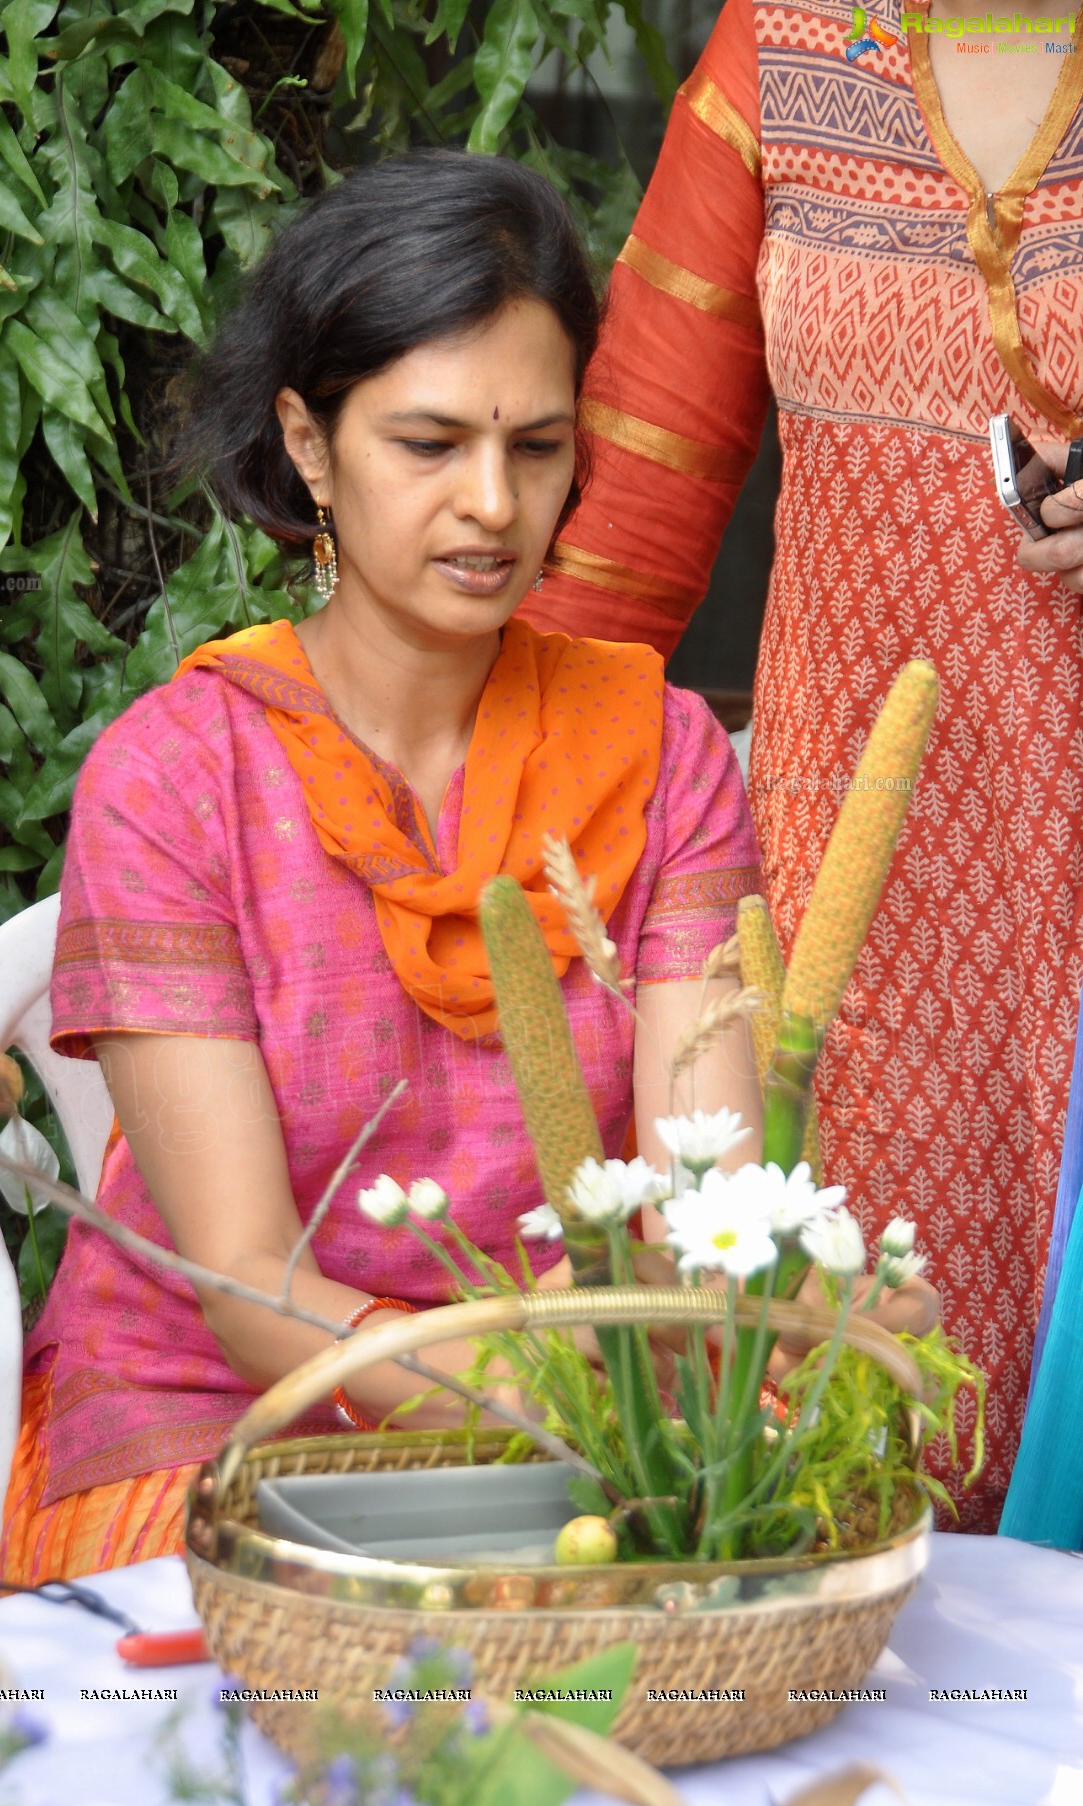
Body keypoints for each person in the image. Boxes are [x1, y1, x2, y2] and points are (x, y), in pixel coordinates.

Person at [0, 151, 768, 1586]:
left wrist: (650, 1422)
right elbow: (246, 1279)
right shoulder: (178, 778)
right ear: (308, 443)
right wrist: (522, 1409)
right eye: (429, 444)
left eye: (538, 447)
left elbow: (706, 1208)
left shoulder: (659, 753)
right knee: (395, 1710)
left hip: (602, 1424)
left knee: (702, 1677)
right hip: (231, 1429)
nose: (492, 503)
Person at [521, 0, 1083, 1532]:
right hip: (859, 883)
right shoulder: (780, 50)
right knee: (862, 1404)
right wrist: (496, 810)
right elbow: (629, 511)